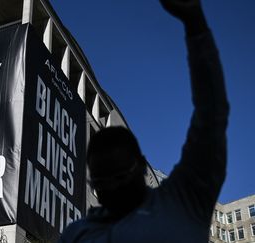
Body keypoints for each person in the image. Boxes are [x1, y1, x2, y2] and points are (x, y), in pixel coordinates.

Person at [59, 0, 229, 242]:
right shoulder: (77, 234)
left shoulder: (183, 199)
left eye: (120, 177)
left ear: (141, 166)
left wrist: (196, 23)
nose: (113, 189)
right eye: (101, 182)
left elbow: (212, 113)